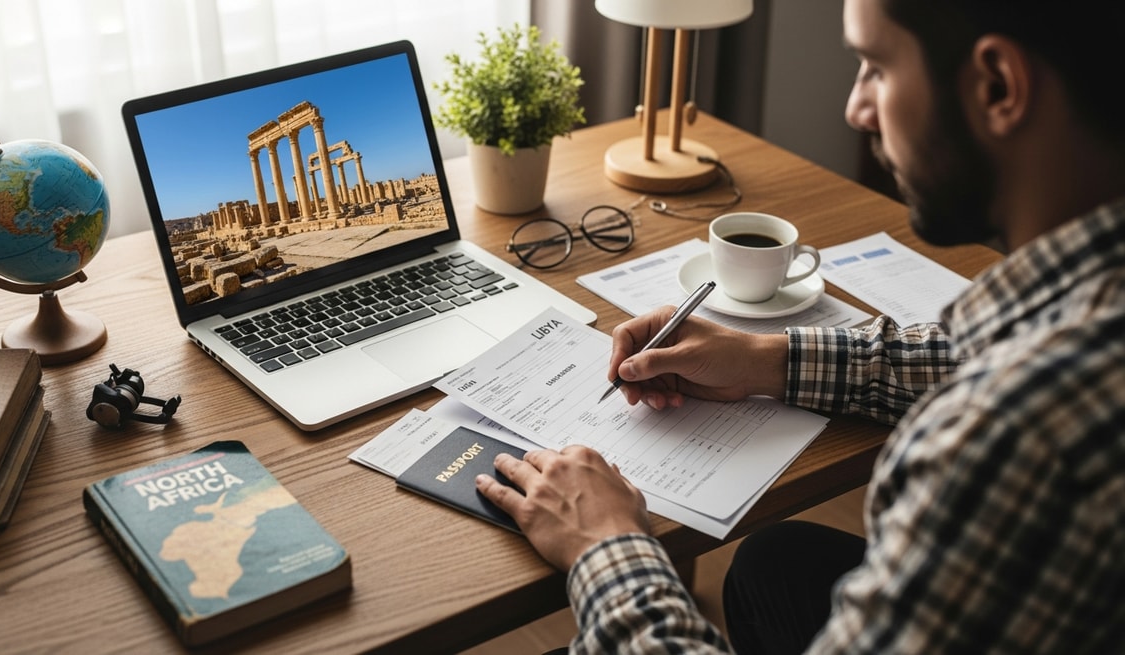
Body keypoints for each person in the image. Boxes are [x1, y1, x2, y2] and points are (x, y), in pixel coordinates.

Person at [474, 0, 1125, 652]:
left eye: (875, 67)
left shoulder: (1013, 440)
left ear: (997, 87)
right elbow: (982, 352)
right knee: (774, 562)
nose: (855, 109)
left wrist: (607, 545)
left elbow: (1012, 395)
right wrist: (762, 358)